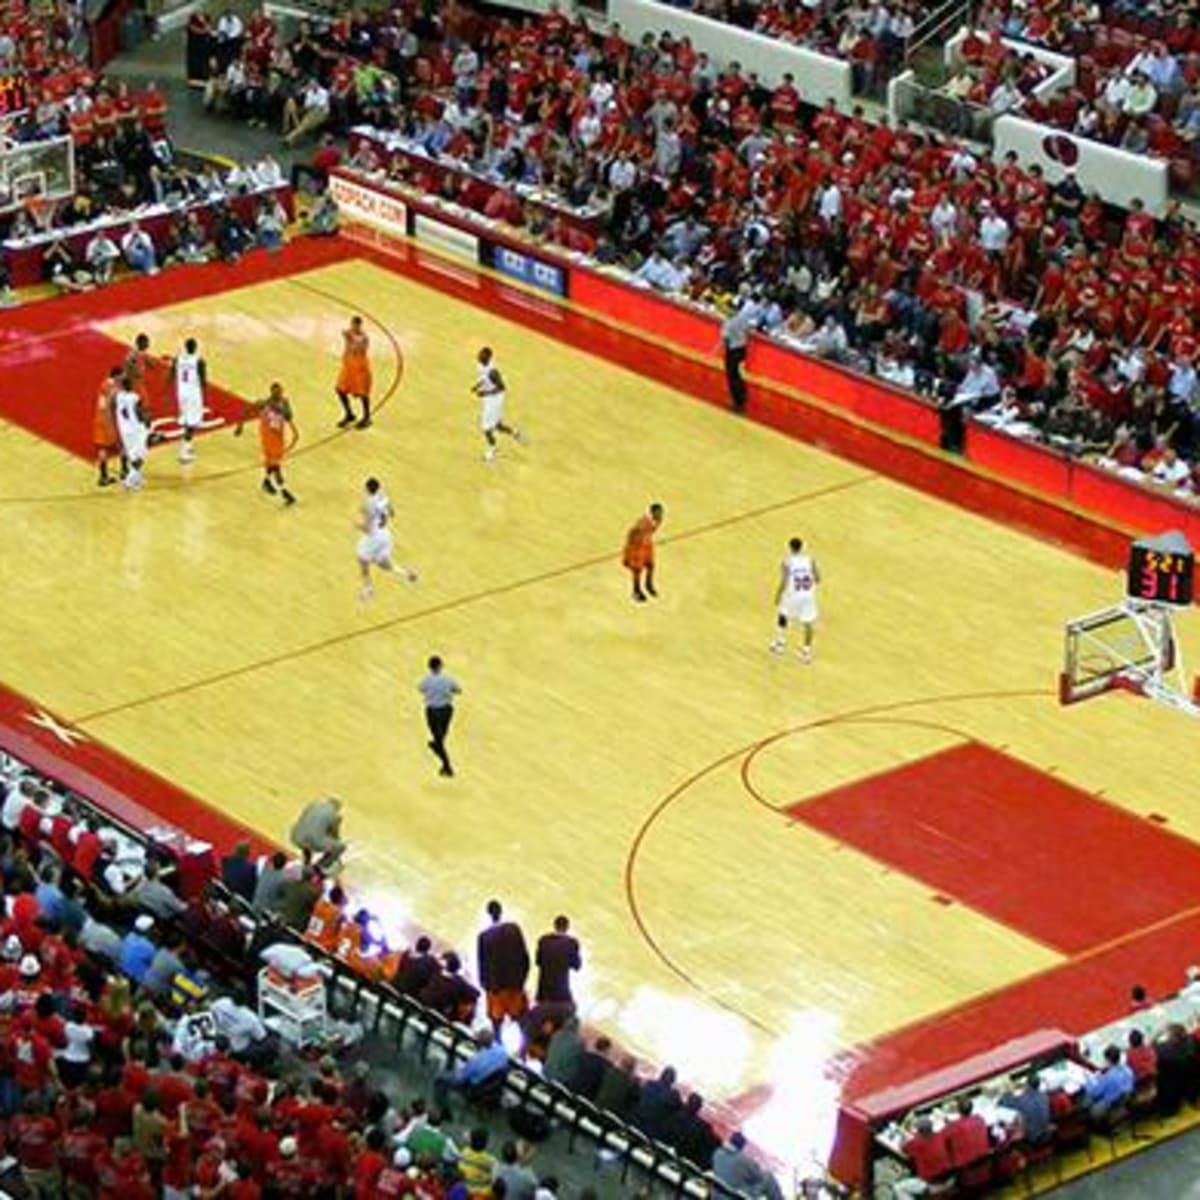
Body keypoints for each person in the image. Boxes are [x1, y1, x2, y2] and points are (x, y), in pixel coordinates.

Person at [235, 382, 298, 505]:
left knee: (272, 464)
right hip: (267, 440)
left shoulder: (284, 402)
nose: (279, 394)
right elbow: (246, 410)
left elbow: (289, 416)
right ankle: (284, 492)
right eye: (277, 392)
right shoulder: (264, 404)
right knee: (276, 467)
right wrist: (240, 426)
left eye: (280, 391)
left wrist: (283, 410)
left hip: (279, 439)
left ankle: (266, 482)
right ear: (272, 393)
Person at [356, 477, 418, 601]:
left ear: (367, 489)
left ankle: (368, 589)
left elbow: (367, 528)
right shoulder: (384, 496)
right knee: (383, 564)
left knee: (362, 560)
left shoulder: (369, 503)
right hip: (385, 535)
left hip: (374, 537)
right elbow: (392, 513)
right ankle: (407, 575)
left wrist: (358, 525)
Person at [478, 899, 531, 1031]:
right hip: (515, 985)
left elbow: (483, 965)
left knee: (497, 1024)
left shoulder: (484, 937)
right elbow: (525, 957)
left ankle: (498, 1046)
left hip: (497, 988)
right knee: (519, 1020)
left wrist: (488, 988)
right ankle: (522, 1049)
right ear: (501, 911)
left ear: (488, 914)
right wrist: (522, 980)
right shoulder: (514, 929)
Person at [432, 1028, 509, 1113]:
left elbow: (463, 1077)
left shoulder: (478, 1060)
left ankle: (441, 1108)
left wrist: (459, 1070)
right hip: (490, 1086)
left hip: (472, 1086)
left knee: (440, 1079)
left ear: (481, 1042)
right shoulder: (502, 1052)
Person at [770, 536, 821, 661]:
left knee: (783, 615)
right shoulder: (810, 560)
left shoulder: (787, 562)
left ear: (790, 548)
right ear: (802, 547)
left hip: (793, 595)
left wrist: (778, 595)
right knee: (808, 623)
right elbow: (818, 578)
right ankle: (806, 652)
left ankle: (780, 643)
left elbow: (784, 581)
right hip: (808, 596)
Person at [472, 347, 526, 462]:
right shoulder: (480, 364)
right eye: (480, 354)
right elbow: (483, 378)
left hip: (494, 400)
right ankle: (516, 433)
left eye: (482, 355)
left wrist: (485, 393)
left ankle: (492, 451)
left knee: (486, 428)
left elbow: (502, 387)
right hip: (490, 398)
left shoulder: (493, 372)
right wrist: (477, 386)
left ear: (488, 358)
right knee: (497, 425)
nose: (479, 356)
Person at [419, 655, 460, 777]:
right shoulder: (448, 679)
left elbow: (421, 689)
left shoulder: (426, 680)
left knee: (438, 740)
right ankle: (443, 761)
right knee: (440, 738)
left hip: (432, 712)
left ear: (429, 667)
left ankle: (447, 766)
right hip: (447, 711)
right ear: (441, 665)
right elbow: (458, 690)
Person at [712, 1132, 784, 1199]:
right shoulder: (743, 1159)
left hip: (719, 1195)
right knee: (768, 1177)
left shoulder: (717, 1154)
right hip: (736, 1196)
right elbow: (759, 1176)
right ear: (742, 1146)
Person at [720, 296, 760, 412]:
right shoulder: (742, 318)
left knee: (732, 376)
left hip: (732, 350)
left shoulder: (729, 322)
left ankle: (737, 401)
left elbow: (725, 339)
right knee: (738, 375)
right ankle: (741, 399)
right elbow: (750, 329)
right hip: (741, 349)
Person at [172, 337, 207, 464]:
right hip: (193, 393)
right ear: (195, 347)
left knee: (187, 420)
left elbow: (172, 375)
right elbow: (203, 381)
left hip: (181, 392)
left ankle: (188, 446)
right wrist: (204, 396)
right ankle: (184, 452)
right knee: (192, 423)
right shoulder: (199, 361)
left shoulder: (178, 359)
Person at [289, 796, 346, 874]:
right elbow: (334, 835)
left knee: (308, 834)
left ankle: (307, 860)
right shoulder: (335, 816)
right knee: (340, 847)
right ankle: (319, 866)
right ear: (337, 809)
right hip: (312, 842)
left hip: (295, 836)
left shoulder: (312, 805)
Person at [535, 915, 581, 1007]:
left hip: (542, 992)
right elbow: (577, 966)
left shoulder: (543, 940)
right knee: (573, 1008)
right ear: (567, 927)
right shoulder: (572, 943)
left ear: (554, 926)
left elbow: (538, 962)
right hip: (561, 993)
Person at [336, 316, 373, 429]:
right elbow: (345, 335)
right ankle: (349, 414)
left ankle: (367, 417)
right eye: (352, 324)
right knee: (339, 390)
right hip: (348, 366)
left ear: (359, 325)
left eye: (355, 325)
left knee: (362, 393)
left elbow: (359, 348)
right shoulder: (349, 333)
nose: (352, 327)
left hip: (360, 367)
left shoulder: (363, 337)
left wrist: (351, 338)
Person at [114, 374, 150, 491]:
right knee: (141, 454)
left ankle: (137, 477)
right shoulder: (135, 397)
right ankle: (129, 480)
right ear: (129, 385)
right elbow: (139, 413)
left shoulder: (118, 396)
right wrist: (146, 422)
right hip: (136, 429)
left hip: (124, 429)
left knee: (133, 454)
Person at [623, 503, 664, 602]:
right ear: (652, 512)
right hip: (637, 547)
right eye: (658, 512)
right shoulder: (642, 523)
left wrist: (648, 539)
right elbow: (631, 533)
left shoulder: (658, 520)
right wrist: (631, 548)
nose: (660, 514)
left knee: (651, 566)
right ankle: (636, 591)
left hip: (646, 546)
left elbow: (650, 532)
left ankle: (648, 584)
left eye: (661, 512)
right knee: (637, 571)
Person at [93, 366, 122, 487]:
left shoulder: (104, 384)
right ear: (116, 376)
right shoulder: (113, 388)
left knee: (102, 448)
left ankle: (103, 476)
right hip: (108, 420)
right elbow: (114, 403)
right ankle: (125, 471)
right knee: (121, 444)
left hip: (99, 417)